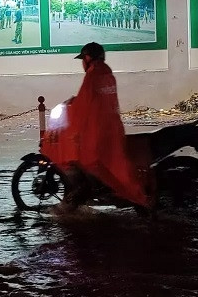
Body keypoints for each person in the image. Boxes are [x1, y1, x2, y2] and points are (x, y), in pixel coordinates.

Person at [41, 42, 151, 211]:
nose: (82, 63)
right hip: (111, 129)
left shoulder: (93, 75)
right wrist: (75, 102)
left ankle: (82, 192)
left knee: (79, 155)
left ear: (88, 58)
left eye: (83, 59)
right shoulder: (107, 73)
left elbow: (84, 103)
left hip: (97, 133)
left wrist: (69, 108)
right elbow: (92, 100)